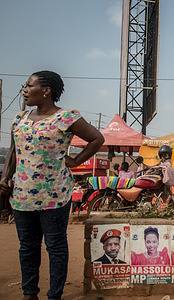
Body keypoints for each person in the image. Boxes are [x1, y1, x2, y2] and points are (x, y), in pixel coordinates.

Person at [0, 71, 104, 300]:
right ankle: (30, 293)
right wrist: (5, 176)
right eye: (25, 86)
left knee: (55, 246)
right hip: (22, 195)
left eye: (29, 86)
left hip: (55, 194)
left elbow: (97, 138)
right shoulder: (20, 118)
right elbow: (14, 150)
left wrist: (76, 161)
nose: (24, 90)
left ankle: (54, 295)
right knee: (27, 247)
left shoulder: (66, 117)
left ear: (46, 91)